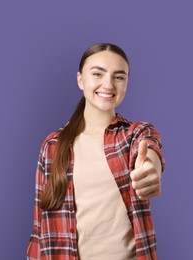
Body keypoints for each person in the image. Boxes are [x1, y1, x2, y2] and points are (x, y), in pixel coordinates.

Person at [27, 43, 166, 260]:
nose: (108, 84)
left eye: (119, 77)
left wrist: (150, 170)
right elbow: (39, 226)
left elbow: (150, 149)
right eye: (98, 74)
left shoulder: (135, 134)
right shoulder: (52, 145)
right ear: (81, 80)